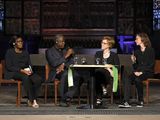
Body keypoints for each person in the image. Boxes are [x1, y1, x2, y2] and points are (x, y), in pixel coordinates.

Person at [4, 35, 42, 108]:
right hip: (13, 72)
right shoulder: (9, 52)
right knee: (25, 77)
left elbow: (30, 64)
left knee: (38, 79)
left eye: (21, 41)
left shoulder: (25, 52)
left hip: (26, 71)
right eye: (18, 42)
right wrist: (22, 71)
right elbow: (9, 66)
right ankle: (32, 100)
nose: (21, 43)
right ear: (14, 44)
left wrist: (30, 70)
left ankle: (30, 98)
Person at [119, 33, 155, 108]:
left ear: (142, 39)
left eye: (137, 39)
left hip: (147, 72)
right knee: (127, 77)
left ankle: (140, 100)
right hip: (138, 71)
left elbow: (151, 64)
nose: (135, 40)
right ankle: (126, 101)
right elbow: (136, 66)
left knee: (138, 79)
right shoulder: (136, 52)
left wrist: (141, 72)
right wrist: (133, 61)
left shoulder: (150, 50)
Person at [46, 34, 80, 107]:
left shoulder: (66, 49)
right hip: (56, 72)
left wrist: (63, 64)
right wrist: (66, 56)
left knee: (78, 76)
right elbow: (54, 63)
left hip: (67, 70)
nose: (64, 43)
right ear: (56, 42)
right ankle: (63, 100)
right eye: (62, 41)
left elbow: (72, 61)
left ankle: (67, 97)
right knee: (65, 75)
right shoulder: (49, 51)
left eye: (64, 41)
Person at [94, 36, 120, 107]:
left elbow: (117, 67)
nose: (102, 44)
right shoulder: (98, 53)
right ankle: (101, 90)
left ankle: (99, 97)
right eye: (102, 42)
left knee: (100, 72)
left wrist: (110, 68)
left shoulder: (114, 55)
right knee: (98, 72)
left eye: (104, 43)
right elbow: (96, 64)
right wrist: (107, 67)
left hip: (109, 75)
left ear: (109, 45)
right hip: (99, 73)